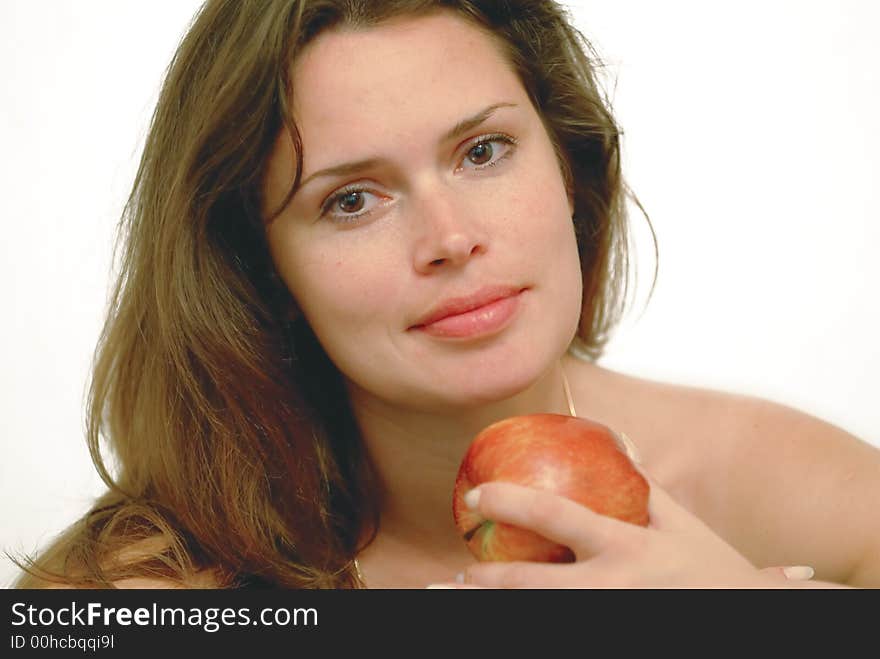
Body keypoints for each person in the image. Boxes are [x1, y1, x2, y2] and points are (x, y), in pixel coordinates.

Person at [13, 0, 880, 589]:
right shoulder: (150, 584)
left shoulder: (749, 479)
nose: (451, 238)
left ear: (569, 168)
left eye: (483, 152)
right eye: (352, 200)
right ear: (259, 274)